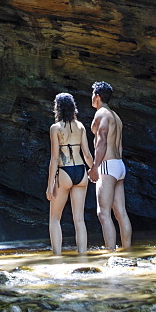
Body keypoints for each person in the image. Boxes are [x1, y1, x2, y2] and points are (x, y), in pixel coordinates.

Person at [46, 92, 93, 256]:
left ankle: (57, 257)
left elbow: (54, 158)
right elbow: (87, 154)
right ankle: (83, 257)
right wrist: (93, 171)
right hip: (81, 171)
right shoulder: (80, 126)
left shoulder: (55, 128)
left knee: (54, 218)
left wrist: (50, 185)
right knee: (79, 220)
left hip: (65, 172)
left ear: (57, 108)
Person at [88, 80, 132, 250]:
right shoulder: (117, 117)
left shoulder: (101, 114)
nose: (92, 98)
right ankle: (127, 251)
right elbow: (119, 145)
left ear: (97, 96)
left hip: (107, 165)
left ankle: (111, 254)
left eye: (93, 95)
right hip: (119, 165)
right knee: (120, 212)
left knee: (103, 213)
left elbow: (101, 140)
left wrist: (95, 167)